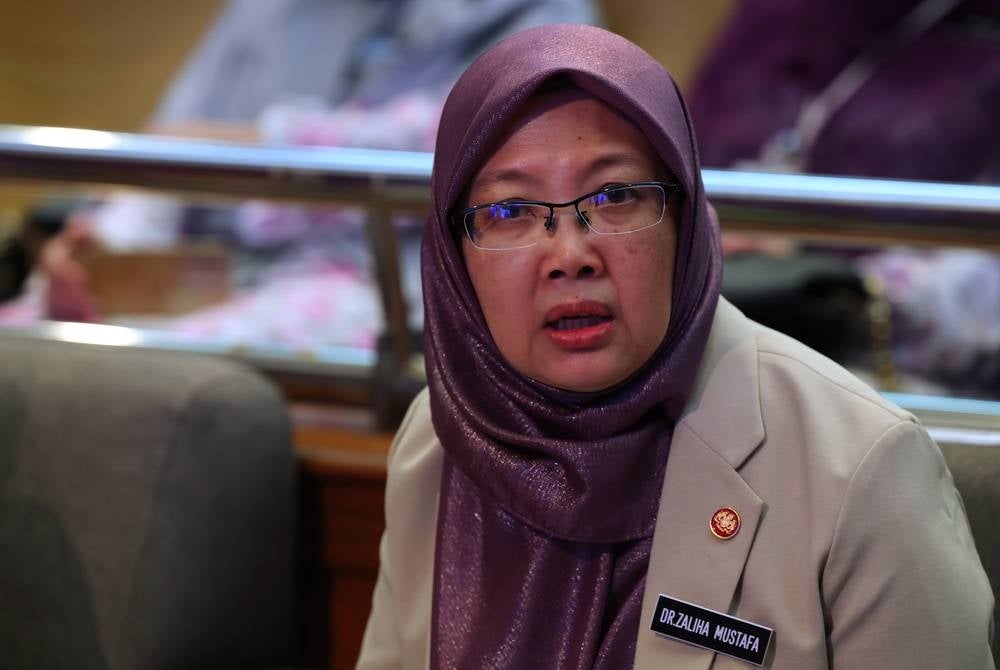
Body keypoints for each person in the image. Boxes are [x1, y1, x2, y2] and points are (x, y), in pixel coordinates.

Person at [355, 23, 994, 669]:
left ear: (685, 221)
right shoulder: (442, 438)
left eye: (616, 196)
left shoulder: (859, 465)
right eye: (509, 211)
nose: (569, 256)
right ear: (452, 254)